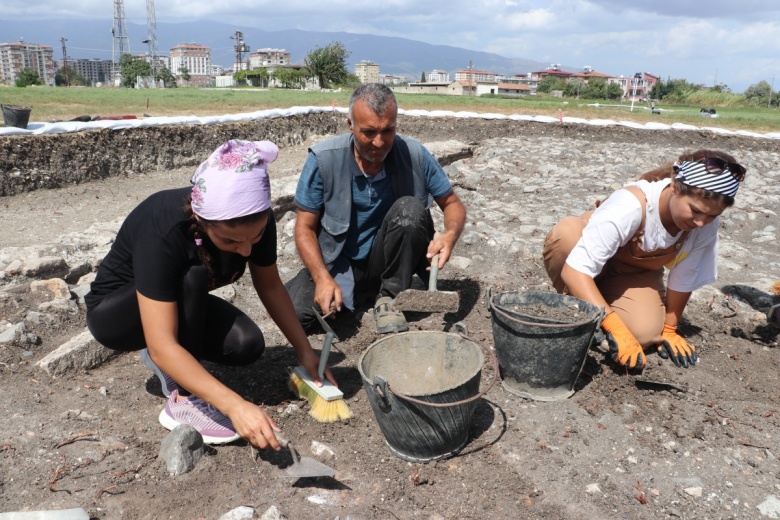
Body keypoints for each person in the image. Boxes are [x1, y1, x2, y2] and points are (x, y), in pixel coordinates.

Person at [86, 139, 336, 447]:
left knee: (246, 345)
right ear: (202, 221)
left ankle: (174, 361)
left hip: (174, 302)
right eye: (231, 242)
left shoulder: (256, 218)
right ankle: (182, 401)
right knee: (192, 274)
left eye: (254, 237)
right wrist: (235, 405)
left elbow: (270, 285)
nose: (246, 248)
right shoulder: (165, 228)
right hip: (115, 316)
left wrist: (305, 351)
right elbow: (165, 343)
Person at [286, 83, 466, 334]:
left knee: (410, 209)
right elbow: (304, 227)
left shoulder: (414, 154)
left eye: (387, 131)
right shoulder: (324, 160)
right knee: (297, 316)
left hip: (388, 260)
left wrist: (449, 236)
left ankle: (390, 296)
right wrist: (321, 278)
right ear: (350, 125)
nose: (379, 142)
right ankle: (356, 294)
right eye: (368, 132)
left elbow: (452, 204)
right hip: (340, 260)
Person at [543, 149, 746, 371]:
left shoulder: (703, 226)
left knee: (645, 333)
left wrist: (669, 328)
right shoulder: (631, 204)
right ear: (675, 186)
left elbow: (685, 276)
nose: (701, 222)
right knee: (567, 234)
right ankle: (576, 309)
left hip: (631, 274)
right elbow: (576, 270)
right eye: (695, 211)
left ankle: (597, 309)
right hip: (583, 254)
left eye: (712, 216)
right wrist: (614, 327)